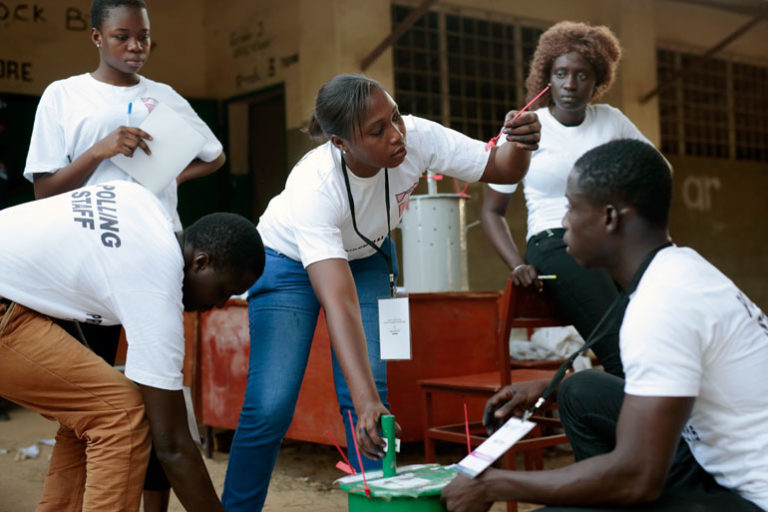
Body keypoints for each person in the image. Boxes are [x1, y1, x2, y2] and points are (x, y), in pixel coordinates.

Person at [221, 73, 541, 511]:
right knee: (271, 405)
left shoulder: (419, 137)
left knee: (370, 395)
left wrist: (521, 143)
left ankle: (374, 504)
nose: (396, 136)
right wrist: (367, 398)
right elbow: (339, 301)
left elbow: (501, 167)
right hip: (286, 261)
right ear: (340, 143)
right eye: (377, 130)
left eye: (394, 118)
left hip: (368, 253)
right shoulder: (314, 186)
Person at [441, 139, 768, 512]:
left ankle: (601, 493)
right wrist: (551, 389)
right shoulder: (681, 268)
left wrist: (494, 485)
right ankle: (597, 489)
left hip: (750, 500)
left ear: (610, 218)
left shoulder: (661, 304)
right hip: (711, 460)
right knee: (580, 388)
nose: (563, 221)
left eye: (572, 207)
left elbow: (638, 478)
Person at [22, 1, 226, 508]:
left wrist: (170, 174)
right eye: (122, 36)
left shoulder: (166, 98)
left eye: (144, 37)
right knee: (94, 408)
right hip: (88, 268)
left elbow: (215, 153)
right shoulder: (64, 95)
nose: (136, 46)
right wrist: (100, 150)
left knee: (160, 396)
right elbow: (44, 194)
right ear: (96, 37)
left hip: (154, 261)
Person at [0, 180, 264, 512]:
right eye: (225, 290)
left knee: (91, 407)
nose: (221, 304)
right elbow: (173, 446)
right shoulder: (157, 284)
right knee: (121, 414)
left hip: (14, 298)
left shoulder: (143, 201)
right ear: (201, 262)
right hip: (7, 307)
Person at [481, 21, 656, 377]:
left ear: (598, 81)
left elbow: (658, 171)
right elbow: (491, 211)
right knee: (622, 348)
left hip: (610, 242)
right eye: (561, 73)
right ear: (548, 76)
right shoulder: (527, 127)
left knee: (658, 316)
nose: (571, 85)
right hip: (554, 244)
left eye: (582, 75)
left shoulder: (612, 121)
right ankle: (633, 412)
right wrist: (517, 264)